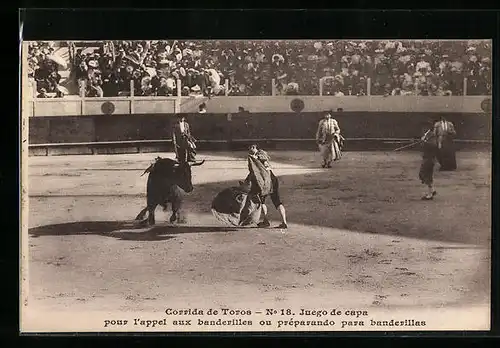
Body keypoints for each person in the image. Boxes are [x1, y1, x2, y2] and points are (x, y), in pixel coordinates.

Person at [241, 145, 288, 229]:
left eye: (251, 148)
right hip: (273, 179)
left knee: (262, 201)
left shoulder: (256, 157)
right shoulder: (262, 155)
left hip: (264, 182)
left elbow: (255, 172)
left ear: (254, 147)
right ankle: (284, 222)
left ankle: (266, 221)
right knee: (276, 201)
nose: (249, 150)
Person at [418, 120, 439, 200]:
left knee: (423, 174)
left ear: (427, 127)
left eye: (424, 126)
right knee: (426, 175)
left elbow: (433, 145)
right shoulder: (426, 135)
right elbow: (423, 146)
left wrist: (425, 141)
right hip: (427, 157)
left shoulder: (431, 135)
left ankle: (430, 194)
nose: (422, 128)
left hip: (429, 158)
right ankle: (432, 190)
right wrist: (422, 142)